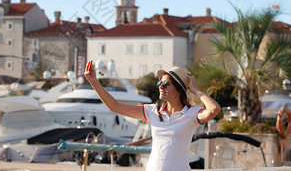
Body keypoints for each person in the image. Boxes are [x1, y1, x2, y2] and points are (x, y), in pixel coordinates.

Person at [84, 61, 221, 170]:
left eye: (166, 84)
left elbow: (214, 109)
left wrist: (195, 90)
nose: (161, 87)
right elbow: (114, 106)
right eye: (159, 83)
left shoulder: (191, 113)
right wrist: (94, 81)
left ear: (179, 89)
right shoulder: (153, 111)